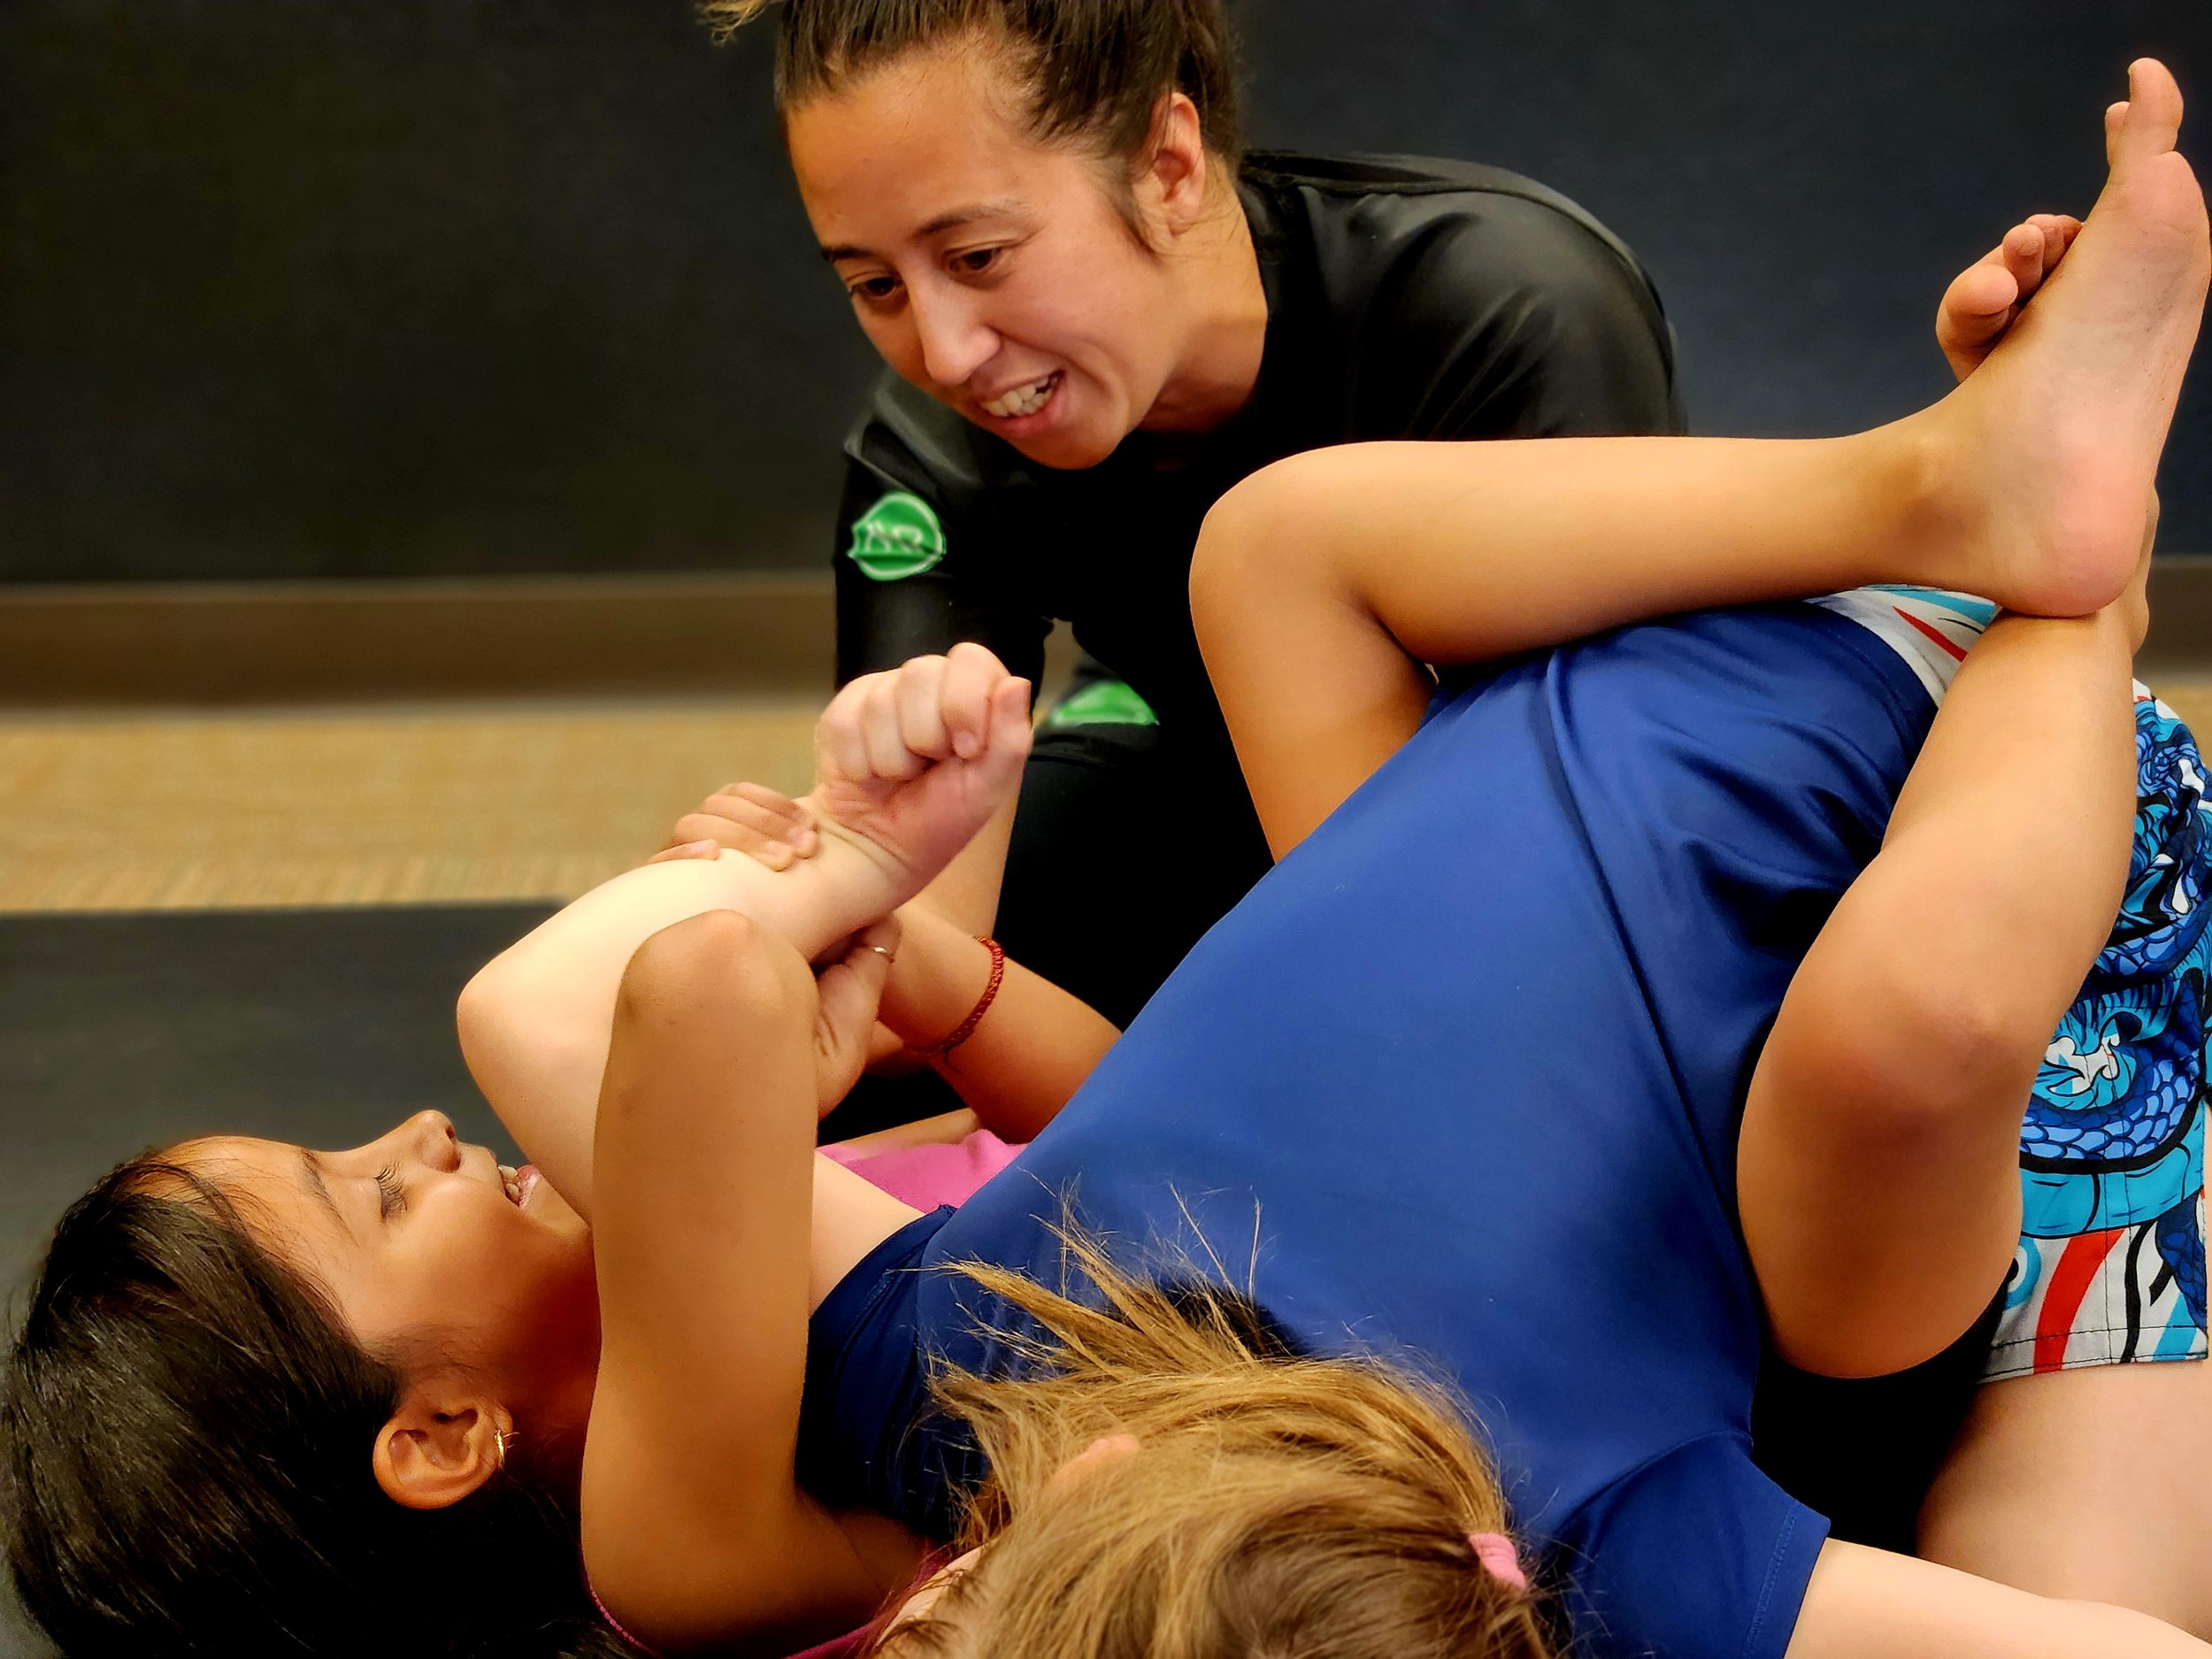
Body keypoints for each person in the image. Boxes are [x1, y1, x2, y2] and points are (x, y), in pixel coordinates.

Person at [4, 60, 2207, 1659]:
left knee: (1275, 540)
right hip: (1969, 911)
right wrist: (853, 910)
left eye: (968, 254)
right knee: (1886, 1103)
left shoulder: (935, 1366)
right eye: (378, 1187)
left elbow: (604, 1017)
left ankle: (1961, 487)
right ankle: (2056, 569)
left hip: (1659, 804)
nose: (416, 1124)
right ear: (441, 1430)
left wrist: (918, 955)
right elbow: (655, 1005)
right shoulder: (1539, 1521)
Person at [696, 0, 1687, 1032]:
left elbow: (1581, 844)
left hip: (1522, 858)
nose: (945, 357)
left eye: (980, 257)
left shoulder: (1497, 307)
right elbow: (918, 966)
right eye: (873, 283)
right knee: (751, 997)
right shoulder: (933, 454)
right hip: (1198, 802)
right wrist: (798, 908)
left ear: (1166, 165)